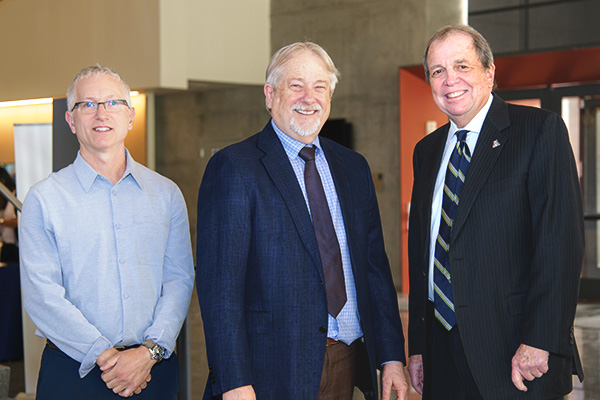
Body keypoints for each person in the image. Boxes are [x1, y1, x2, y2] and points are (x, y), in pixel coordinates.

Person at [196, 42, 408, 400]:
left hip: (346, 362)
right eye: (296, 85)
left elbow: (374, 270)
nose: (309, 97)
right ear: (270, 94)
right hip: (267, 374)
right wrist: (233, 381)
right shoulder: (235, 167)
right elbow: (220, 289)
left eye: (320, 86)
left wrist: (391, 357)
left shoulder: (352, 167)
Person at [407, 24, 584, 399]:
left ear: (489, 73)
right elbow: (423, 253)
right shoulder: (426, 151)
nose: (449, 80)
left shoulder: (539, 131)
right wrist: (419, 348)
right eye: (437, 71)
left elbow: (560, 245)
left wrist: (541, 340)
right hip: (442, 355)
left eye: (462, 66)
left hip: (516, 355)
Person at [19, 65, 195, 399]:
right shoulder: (44, 199)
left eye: (113, 103)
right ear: (71, 121)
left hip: (154, 371)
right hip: (74, 374)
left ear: (130, 116)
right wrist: (107, 357)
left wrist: (148, 353)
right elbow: (43, 295)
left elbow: (178, 279)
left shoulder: (166, 193)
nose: (101, 113)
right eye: (87, 104)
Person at [0, 167, 18, 263]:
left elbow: (19, 222)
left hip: (14, 248)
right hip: (5, 246)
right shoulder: (3, 200)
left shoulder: (15, 196)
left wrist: (3, 222)